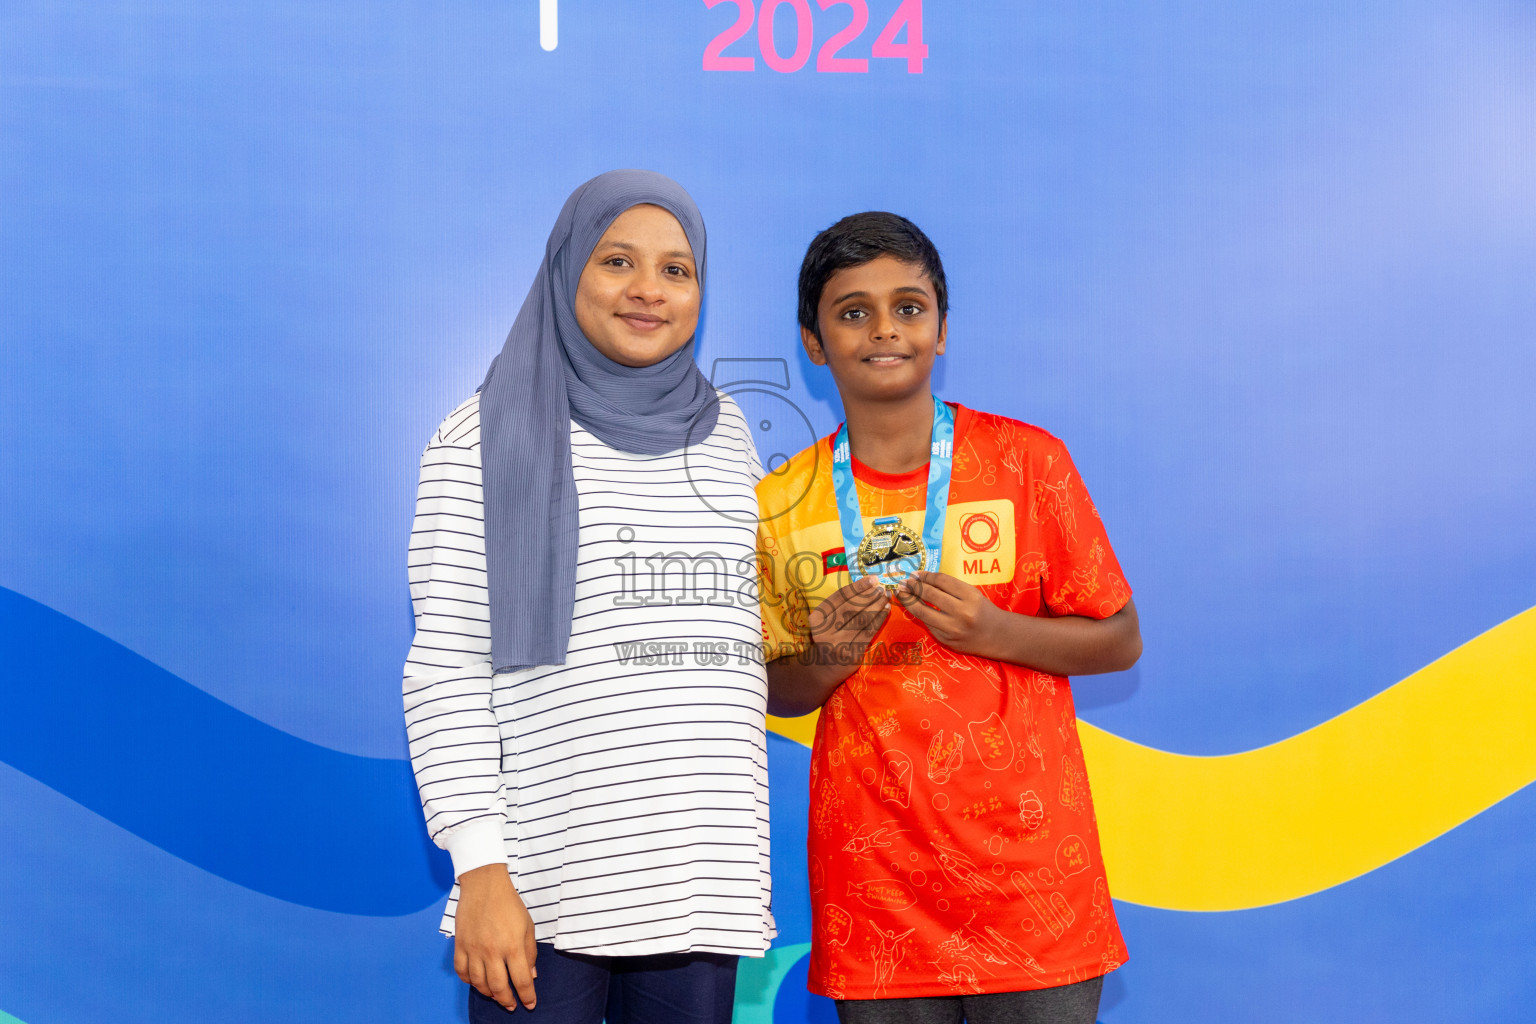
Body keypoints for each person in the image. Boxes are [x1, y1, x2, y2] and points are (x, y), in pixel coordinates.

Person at [404, 170, 774, 1024]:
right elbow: (447, 671)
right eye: (617, 260)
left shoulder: (727, 441)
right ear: (567, 268)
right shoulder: (484, 437)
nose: (649, 290)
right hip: (541, 893)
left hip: (695, 888)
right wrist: (482, 870)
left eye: (677, 270)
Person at [756, 212, 1142, 1024]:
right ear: (814, 344)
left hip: (1032, 875)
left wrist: (995, 632)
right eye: (852, 311)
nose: (884, 329)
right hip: (877, 879)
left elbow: (1119, 640)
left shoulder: (1028, 462)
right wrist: (827, 656)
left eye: (909, 307)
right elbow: (777, 692)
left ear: (940, 330)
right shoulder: (782, 501)